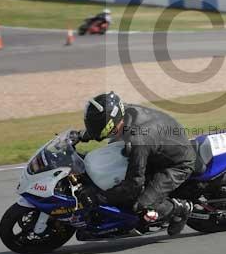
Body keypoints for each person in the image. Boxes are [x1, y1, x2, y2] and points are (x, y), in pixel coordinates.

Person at [72, 92, 196, 236]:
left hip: (177, 164)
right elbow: (101, 126)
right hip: (161, 148)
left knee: (141, 205)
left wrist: (99, 196)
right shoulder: (124, 114)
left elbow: (134, 185)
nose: (94, 129)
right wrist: (81, 135)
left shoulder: (138, 140)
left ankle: (180, 209)